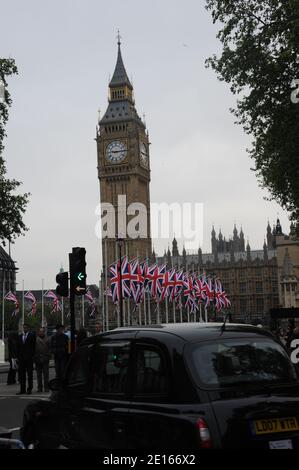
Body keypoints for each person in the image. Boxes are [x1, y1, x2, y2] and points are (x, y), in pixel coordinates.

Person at [16, 323, 36, 395]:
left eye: (26, 328)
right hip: (21, 359)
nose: (24, 329)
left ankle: (29, 389)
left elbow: (34, 347)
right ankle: (22, 389)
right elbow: (18, 347)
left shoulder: (32, 336)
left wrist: (32, 356)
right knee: (22, 375)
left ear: (28, 328)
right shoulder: (19, 336)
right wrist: (17, 357)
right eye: (23, 328)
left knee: (29, 375)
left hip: (29, 358)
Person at [34, 327, 51, 392]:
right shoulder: (35, 339)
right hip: (37, 359)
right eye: (40, 331)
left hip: (45, 358)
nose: (41, 333)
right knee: (39, 375)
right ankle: (39, 388)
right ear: (38, 332)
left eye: (42, 331)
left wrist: (48, 356)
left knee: (46, 375)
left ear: (44, 332)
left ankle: (46, 387)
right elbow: (33, 349)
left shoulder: (48, 339)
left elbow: (50, 348)